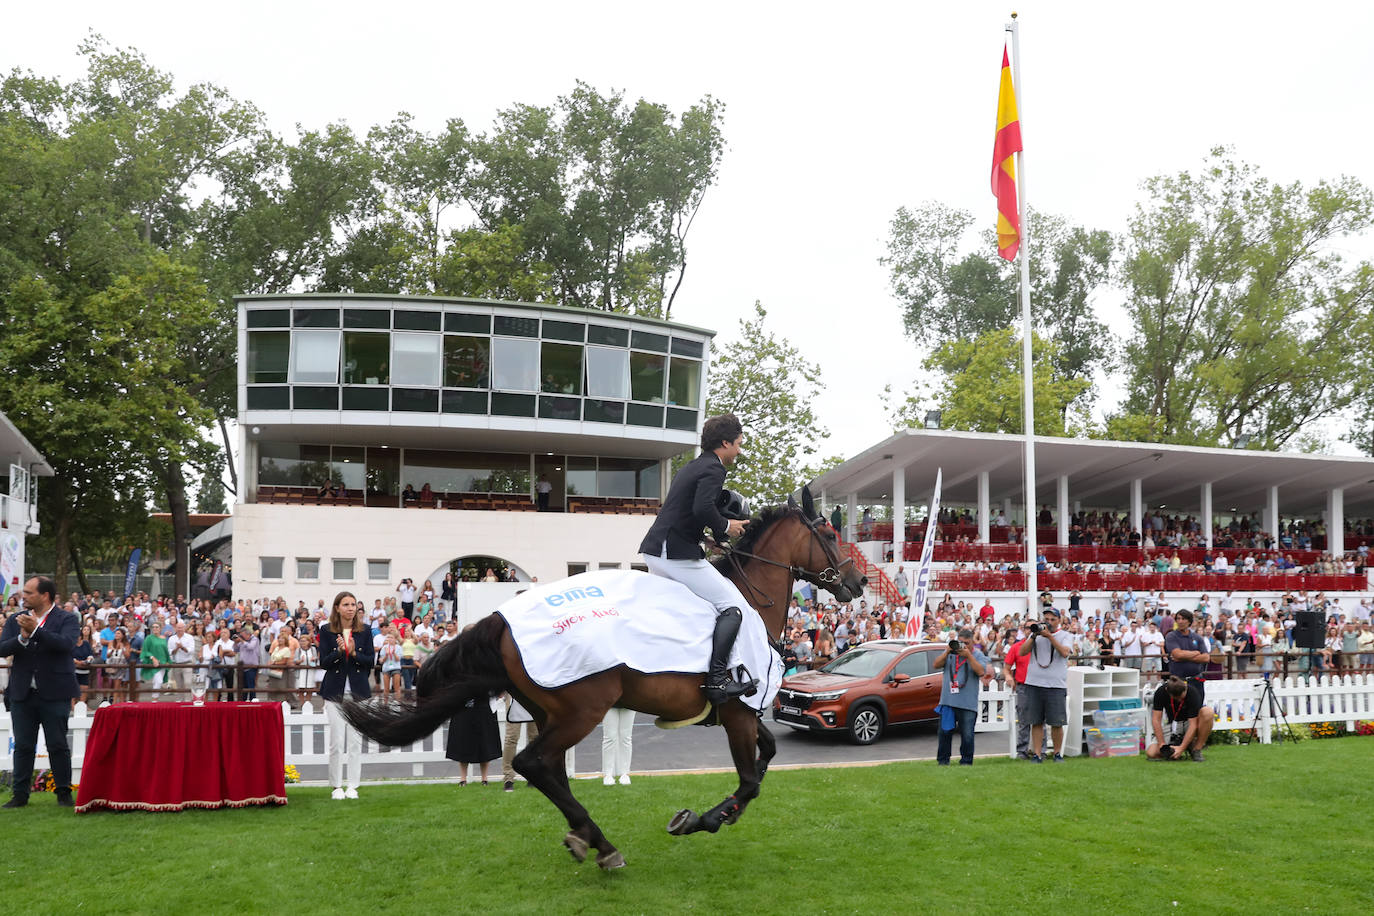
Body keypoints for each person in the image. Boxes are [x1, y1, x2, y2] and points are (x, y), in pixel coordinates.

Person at [639, 412, 756, 705]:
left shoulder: (694, 465)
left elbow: (684, 513)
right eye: (738, 444)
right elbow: (703, 508)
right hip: (672, 554)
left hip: (665, 548)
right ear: (725, 442)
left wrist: (706, 540)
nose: (739, 450)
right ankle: (717, 681)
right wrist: (728, 527)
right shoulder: (714, 469)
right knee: (733, 604)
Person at [0, 576, 80, 807]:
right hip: (23, 693)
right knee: (23, 746)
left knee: (57, 744)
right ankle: (20, 795)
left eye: (28, 592)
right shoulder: (17, 619)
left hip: (55, 692)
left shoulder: (67, 618)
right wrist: (22, 638)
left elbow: (65, 645)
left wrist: (35, 631)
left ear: (44, 595)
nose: (23, 596)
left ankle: (63, 793)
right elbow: (2, 648)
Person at [319, 591, 374, 799]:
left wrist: (353, 653)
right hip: (334, 693)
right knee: (336, 741)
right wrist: (339, 652)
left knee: (354, 742)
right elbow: (324, 662)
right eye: (346, 604)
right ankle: (336, 786)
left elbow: (370, 661)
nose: (350, 608)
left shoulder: (366, 631)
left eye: (353, 605)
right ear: (337, 608)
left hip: (358, 692)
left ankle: (352, 785)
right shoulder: (326, 631)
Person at [1017, 607, 1073, 762]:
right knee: (1036, 721)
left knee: (1057, 722)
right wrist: (1034, 636)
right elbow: (1022, 652)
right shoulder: (1036, 635)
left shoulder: (1066, 636)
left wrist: (1050, 637)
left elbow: (1064, 652)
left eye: (1052, 620)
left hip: (1055, 684)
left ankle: (1057, 753)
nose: (1048, 622)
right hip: (1034, 683)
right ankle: (1037, 754)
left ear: (1059, 621)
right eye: (1046, 619)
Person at [934, 629, 987, 766]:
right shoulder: (951, 654)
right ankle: (943, 761)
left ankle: (966, 762)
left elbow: (981, 671)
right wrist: (947, 651)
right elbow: (936, 665)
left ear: (972, 643)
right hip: (948, 701)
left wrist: (969, 656)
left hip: (967, 703)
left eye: (966, 643)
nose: (963, 646)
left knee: (967, 735)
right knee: (944, 733)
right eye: (960, 642)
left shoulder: (978, 655)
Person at [1147, 675, 1214, 762]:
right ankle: (1180, 747)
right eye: (1177, 698)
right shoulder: (1160, 692)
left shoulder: (1192, 692)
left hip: (1188, 724)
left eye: (1181, 698)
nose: (1179, 700)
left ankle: (1196, 749)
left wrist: (1182, 748)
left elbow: (1193, 724)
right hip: (1172, 725)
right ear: (1168, 692)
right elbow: (1156, 720)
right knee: (1151, 753)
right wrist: (1161, 744)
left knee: (1208, 712)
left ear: (1185, 689)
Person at [1164, 609, 1211, 699]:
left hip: (1196, 679)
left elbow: (1206, 658)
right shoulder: (1171, 636)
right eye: (1178, 619)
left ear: (1189, 621)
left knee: (1197, 708)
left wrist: (1183, 657)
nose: (1180, 621)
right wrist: (1196, 653)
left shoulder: (1197, 637)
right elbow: (1177, 655)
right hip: (1178, 680)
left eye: (1183, 619)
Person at [502, 695, 539, 792]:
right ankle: (508, 778)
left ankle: (533, 776)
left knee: (535, 738)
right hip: (514, 695)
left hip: (533, 695)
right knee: (511, 737)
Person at [601, 706, 635, 785]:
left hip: (629, 703)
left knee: (626, 738)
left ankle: (625, 774)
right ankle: (608, 775)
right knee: (609, 738)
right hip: (610, 702)